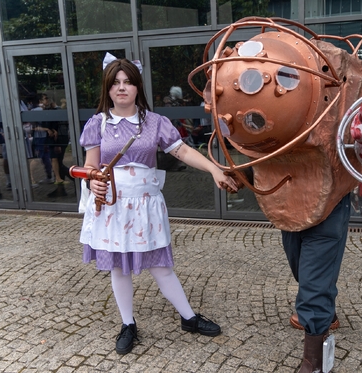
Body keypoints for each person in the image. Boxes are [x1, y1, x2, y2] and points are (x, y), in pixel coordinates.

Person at [78, 54, 238, 355]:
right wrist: (91, 181)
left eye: (127, 82)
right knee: (119, 269)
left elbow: (183, 152)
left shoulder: (155, 123)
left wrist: (215, 169)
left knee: (160, 266)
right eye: (115, 83)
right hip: (112, 206)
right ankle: (128, 324)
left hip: (146, 206)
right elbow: (90, 166)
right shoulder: (97, 124)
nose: (121, 88)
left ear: (137, 87)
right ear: (107, 89)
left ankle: (189, 318)